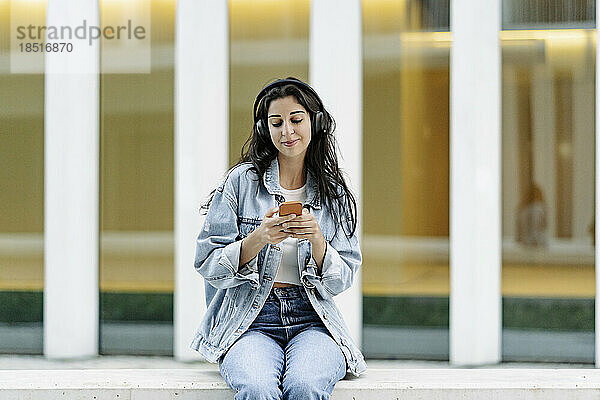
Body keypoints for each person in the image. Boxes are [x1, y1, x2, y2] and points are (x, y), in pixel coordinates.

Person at [190, 77, 366, 399]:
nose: (287, 132)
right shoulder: (242, 182)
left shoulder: (333, 193)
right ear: (264, 128)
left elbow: (344, 278)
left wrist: (317, 241)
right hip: (250, 319)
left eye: (296, 120)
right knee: (257, 388)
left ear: (316, 122)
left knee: (305, 386)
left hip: (313, 320)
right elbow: (206, 262)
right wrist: (256, 240)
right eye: (276, 122)